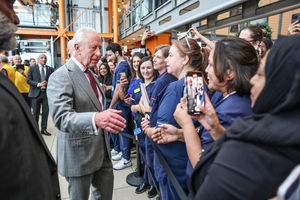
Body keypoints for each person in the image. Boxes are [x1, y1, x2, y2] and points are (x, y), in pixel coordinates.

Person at [184, 34, 300, 200]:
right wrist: (214, 127)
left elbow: (209, 167)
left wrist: (187, 125)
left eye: (261, 74)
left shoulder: (250, 145)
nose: (252, 79)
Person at [47, 28, 126, 200]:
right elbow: (62, 118)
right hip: (78, 155)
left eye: (100, 48)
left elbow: (94, 102)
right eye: (94, 48)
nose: (99, 53)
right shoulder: (60, 76)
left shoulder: (91, 74)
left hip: (102, 151)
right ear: (77, 47)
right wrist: (97, 118)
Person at [0, 0, 60, 198]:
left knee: (42, 116)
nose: (16, 18)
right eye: (9, 4)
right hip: (34, 93)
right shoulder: (26, 70)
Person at [106, 42, 133, 170]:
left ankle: (126, 158)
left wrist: (111, 106)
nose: (108, 58)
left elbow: (119, 88)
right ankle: (123, 152)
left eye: (110, 55)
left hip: (121, 103)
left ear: (117, 53)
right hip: (119, 102)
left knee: (124, 130)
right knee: (121, 130)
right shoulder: (119, 66)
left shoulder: (122, 66)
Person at [27, 53, 54, 136]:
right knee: (35, 113)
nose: (44, 59)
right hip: (36, 93)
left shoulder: (50, 69)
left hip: (46, 94)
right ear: (38, 59)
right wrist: (38, 84)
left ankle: (43, 129)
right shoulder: (32, 68)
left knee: (45, 113)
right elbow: (28, 80)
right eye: (41, 58)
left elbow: (54, 80)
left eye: (45, 58)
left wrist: (48, 83)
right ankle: (35, 130)